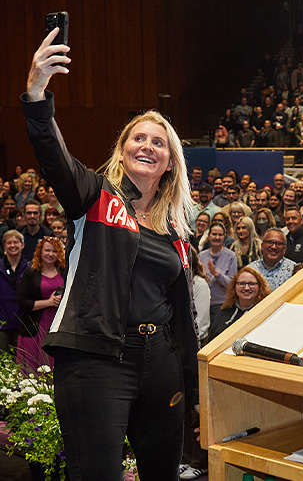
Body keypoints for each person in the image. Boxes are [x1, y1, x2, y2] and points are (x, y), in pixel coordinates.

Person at [22, 30, 199, 480]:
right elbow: (54, 158)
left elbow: (183, 320)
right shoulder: (96, 197)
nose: (148, 146)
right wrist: (37, 93)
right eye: (138, 138)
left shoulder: (178, 233)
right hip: (97, 358)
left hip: (160, 361)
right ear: (123, 151)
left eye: (159, 143)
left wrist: (192, 385)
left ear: (170, 162)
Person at [17, 236, 65, 374]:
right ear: (40, 252)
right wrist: (49, 303)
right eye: (47, 250)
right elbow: (22, 302)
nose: (50, 254)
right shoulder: (30, 273)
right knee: (32, 371)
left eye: (54, 251)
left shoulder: (65, 272)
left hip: (56, 327)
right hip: (34, 328)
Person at [208, 267, 271, 341]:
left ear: (259, 287)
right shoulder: (222, 314)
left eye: (251, 284)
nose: (247, 288)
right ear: (234, 287)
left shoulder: (265, 315)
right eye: (242, 283)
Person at [199, 222, 238, 323]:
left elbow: (231, 284)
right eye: (214, 234)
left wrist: (217, 274)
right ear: (208, 236)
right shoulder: (201, 256)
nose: (217, 237)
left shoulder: (231, 256)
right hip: (203, 303)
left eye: (220, 235)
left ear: (224, 237)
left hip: (221, 304)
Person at [0, 230, 29, 352]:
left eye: (16, 242)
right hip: (1, 323)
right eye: (9, 243)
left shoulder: (30, 268)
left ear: (22, 245)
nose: (12, 245)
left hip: (22, 323)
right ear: (4, 246)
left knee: (20, 363)